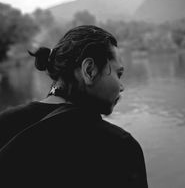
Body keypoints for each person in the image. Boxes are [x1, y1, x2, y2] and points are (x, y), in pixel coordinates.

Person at [0, 25, 148, 187]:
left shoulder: (5, 123)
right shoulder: (119, 148)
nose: (121, 86)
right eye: (118, 74)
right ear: (89, 70)